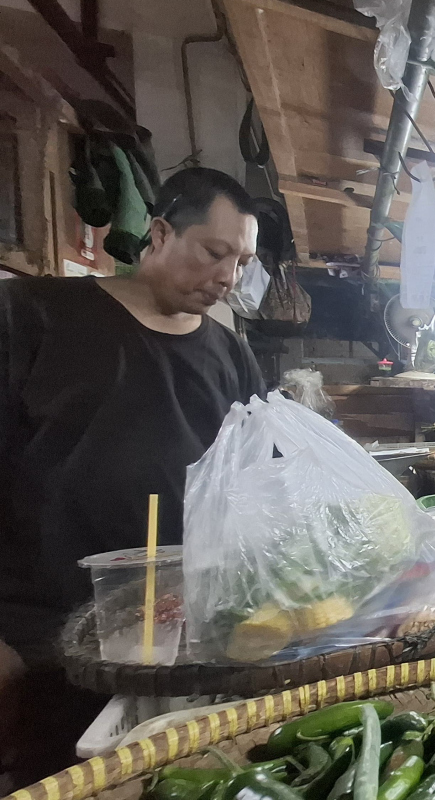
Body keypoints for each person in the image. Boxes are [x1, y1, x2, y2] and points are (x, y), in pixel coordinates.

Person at [0, 167, 265, 783]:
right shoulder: (34, 315)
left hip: (180, 639)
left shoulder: (231, 355)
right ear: (161, 232)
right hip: (35, 634)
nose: (227, 277)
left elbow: (252, 485)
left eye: (241, 262)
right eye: (214, 252)